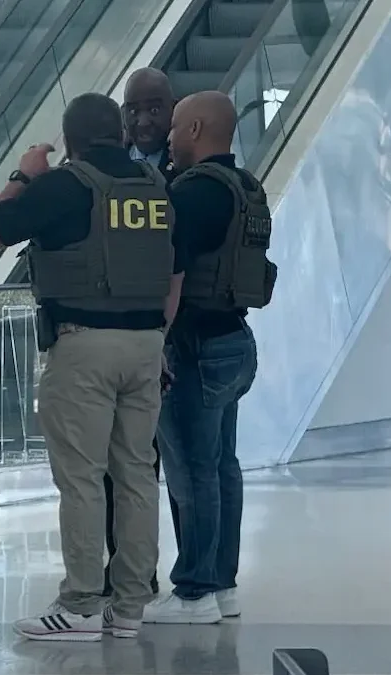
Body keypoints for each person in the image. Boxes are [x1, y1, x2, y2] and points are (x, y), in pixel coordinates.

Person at [0, 92, 185, 642]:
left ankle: (81, 606)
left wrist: (24, 175)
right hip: (145, 343)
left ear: (70, 140)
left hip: (83, 344)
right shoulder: (157, 190)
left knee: (82, 480)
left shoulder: (64, 185)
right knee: (138, 475)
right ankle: (131, 607)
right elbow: (174, 272)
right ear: (119, 132)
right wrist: (158, 337)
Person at [143, 91, 271, 624]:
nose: (168, 138)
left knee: (191, 469)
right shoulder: (246, 187)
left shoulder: (193, 193)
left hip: (193, 344)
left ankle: (194, 590)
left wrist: (156, 345)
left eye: (174, 127)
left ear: (195, 129)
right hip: (235, 339)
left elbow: (172, 274)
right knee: (222, 466)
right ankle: (221, 583)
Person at [102, 67, 181, 598]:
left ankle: (194, 572)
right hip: (123, 336)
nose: (143, 119)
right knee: (123, 462)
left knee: (174, 464)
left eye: (154, 108)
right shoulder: (108, 171)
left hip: (173, 334)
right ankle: (130, 568)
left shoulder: (186, 173)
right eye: (133, 109)